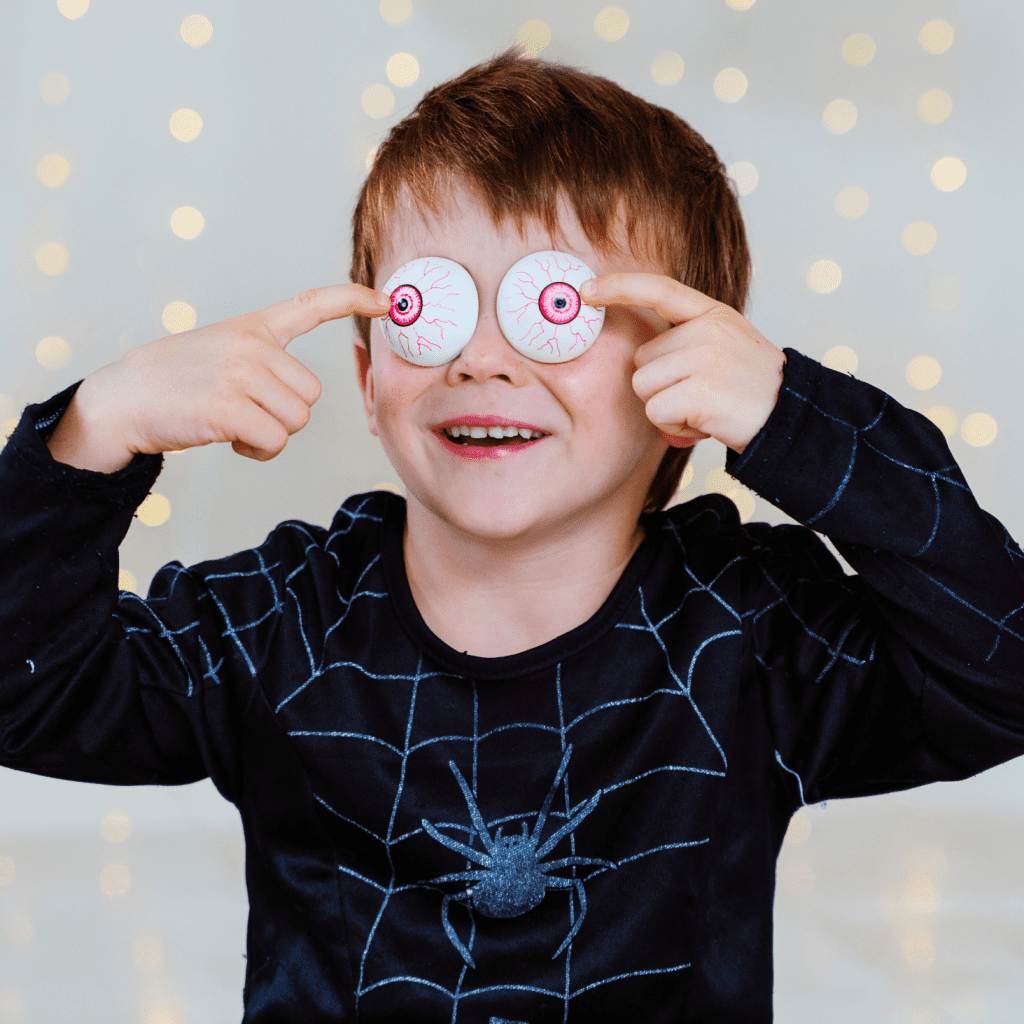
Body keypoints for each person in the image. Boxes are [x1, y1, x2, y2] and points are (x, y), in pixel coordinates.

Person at [1, 45, 1022, 1024]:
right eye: (428, 306)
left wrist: (795, 417)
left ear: (687, 381)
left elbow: (1000, 669)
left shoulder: (749, 633)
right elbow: (22, 692)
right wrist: (92, 431)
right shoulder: (283, 621)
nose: (482, 359)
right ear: (367, 376)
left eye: (554, 308)